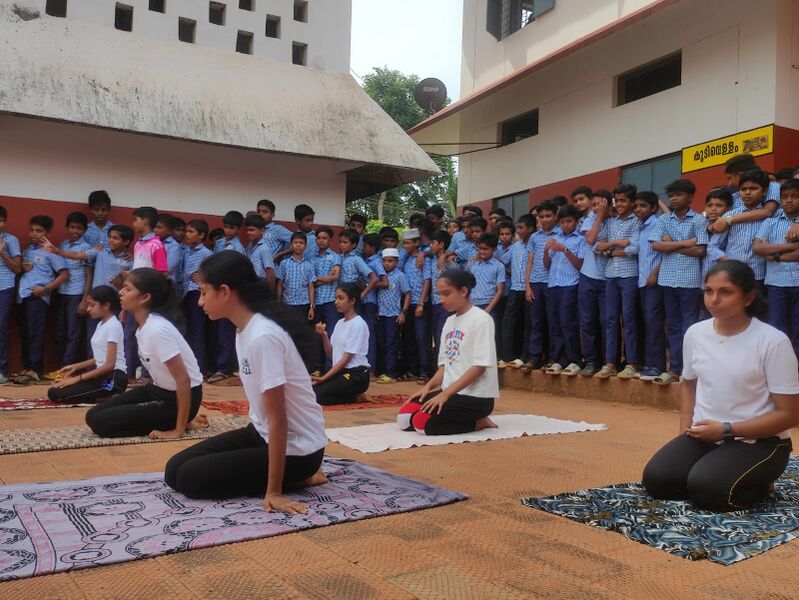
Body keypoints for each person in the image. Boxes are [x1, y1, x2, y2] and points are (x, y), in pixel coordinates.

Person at [164, 251, 326, 512]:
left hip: (299, 451)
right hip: (261, 434)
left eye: (204, 293)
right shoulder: (244, 331)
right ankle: (293, 477)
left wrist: (274, 492)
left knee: (189, 479)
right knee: (173, 470)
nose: (200, 302)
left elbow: (279, 419)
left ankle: (299, 476)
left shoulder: (263, 336)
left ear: (225, 291)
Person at [642, 261, 799, 511]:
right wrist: (685, 433)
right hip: (706, 434)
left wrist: (727, 430)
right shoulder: (695, 333)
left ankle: (760, 482)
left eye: (725, 292)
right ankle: (720, 470)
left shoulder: (772, 342)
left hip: (761, 441)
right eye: (708, 291)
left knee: (708, 490)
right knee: (658, 481)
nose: (714, 299)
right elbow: (689, 385)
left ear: (748, 298)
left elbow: (791, 414)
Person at [85, 268, 206, 438]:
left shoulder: (157, 329)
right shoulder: (144, 325)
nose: (120, 293)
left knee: (100, 423)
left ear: (145, 297)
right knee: (92, 415)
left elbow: (183, 379)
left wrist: (177, 430)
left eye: (128, 289)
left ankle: (181, 422)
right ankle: (179, 420)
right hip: (157, 390)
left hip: (176, 400)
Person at [397, 268, 498, 435]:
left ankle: (478, 422)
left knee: (421, 424)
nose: (442, 300)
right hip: (451, 392)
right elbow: (444, 367)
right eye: (439, 294)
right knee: (405, 418)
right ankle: (449, 410)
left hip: (476, 397)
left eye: (446, 294)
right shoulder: (449, 322)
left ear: (463, 291)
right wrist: (428, 388)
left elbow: (479, 368)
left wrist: (445, 395)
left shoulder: (481, 319)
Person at [649, 180, 708, 386]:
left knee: (690, 327)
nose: (673, 198)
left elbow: (701, 250)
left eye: (679, 195)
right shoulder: (664, 219)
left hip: (690, 281)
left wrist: (671, 244)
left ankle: (690, 370)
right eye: (671, 195)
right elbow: (656, 245)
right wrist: (686, 243)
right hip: (668, 280)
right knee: (673, 327)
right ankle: (674, 368)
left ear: (691, 197)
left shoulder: (699, 220)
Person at [48, 285, 128, 403]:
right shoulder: (101, 325)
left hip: (114, 380)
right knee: (56, 388)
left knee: (58, 394)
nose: (88, 309)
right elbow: (100, 357)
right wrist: (76, 367)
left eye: (92, 305)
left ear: (106, 305)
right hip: (102, 377)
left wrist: (76, 379)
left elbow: (109, 365)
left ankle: (111, 394)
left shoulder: (113, 326)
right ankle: (104, 397)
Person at [593, 187, 641, 380]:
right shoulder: (610, 222)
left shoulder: (637, 220)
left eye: (623, 201)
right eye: (617, 201)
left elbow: (635, 248)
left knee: (629, 319)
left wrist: (611, 247)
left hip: (630, 275)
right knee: (610, 319)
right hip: (611, 274)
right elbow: (597, 246)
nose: (619, 204)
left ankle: (631, 363)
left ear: (631, 202)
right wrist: (620, 243)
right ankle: (611, 363)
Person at [15, 216, 69, 384]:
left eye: (39, 231)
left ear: (48, 233)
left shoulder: (50, 251)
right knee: (25, 333)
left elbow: (64, 274)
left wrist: (45, 289)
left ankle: (36, 369)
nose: (34, 234)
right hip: (22, 295)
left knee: (35, 333)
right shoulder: (27, 251)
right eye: (32, 230)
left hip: (38, 297)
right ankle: (27, 366)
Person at [753, 179, 799, 356]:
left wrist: (773, 255)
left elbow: (765, 250)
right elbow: (757, 248)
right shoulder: (770, 222)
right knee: (777, 329)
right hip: (776, 284)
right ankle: (779, 367)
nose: (789, 200)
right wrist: (791, 248)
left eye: (795, 197)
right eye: (785, 197)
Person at [543, 204, 586, 376]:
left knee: (568, 322)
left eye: (569, 221)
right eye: (562, 222)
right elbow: (546, 264)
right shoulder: (555, 238)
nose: (566, 225)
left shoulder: (580, 239)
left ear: (576, 221)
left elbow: (580, 264)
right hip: (553, 284)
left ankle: (574, 360)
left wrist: (565, 250)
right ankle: (558, 360)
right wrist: (546, 250)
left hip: (570, 284)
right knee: (555, 323)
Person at [312, 283, 370, 405]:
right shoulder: (339, 323)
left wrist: (324, 378)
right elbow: (331, 354)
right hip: (341, 373)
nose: (336, 302)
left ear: (352, 301)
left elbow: (345, 359)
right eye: (336, 298)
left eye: (341, 298)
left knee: (317, 396)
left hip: (356, 375)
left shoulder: (358, 324)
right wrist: (324, 335)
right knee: (309, 391)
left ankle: (355, 397)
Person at [718, 170, 769, 295]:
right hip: (732, 273)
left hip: (759, 274)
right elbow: (713, 245)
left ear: (765, 191)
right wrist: (727, 260)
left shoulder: (770, 217)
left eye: (753, 188)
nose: (747, 192)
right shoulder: (729, 216)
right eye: (743, 189)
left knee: (757, 312)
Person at [577, 191, 610, 377]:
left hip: (607, 278)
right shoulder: (590, 219)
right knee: (588, 321)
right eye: (595, 204)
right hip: (588, 276)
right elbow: (590, 239)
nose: (598, 207)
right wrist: (598, 215)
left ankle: (607, 360)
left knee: (607, 321)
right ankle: (591, 360)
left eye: (601, 204)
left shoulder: (613, 221)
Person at [633, 191, 665, 381]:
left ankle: (657, 366)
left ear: (653, 208)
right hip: (642, 282)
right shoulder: (641, 227)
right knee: (647, 324)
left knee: (654, 324)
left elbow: (666, 251)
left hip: (654, 282)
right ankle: (649, 364)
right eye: (636, 206)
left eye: (643, 206)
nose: (638, 209)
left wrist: (655, 272)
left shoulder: (658, 224)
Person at [56, 212, 92, 367]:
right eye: (72, 227)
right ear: (67, 227)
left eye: (79, 228)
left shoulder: (86, 248)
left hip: (76, 294)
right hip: (60, 293)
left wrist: (85, 299)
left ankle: (67, 367)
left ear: (84, 230)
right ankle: (61, 366)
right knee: (59, 332)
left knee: (73, 333)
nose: (75, 231)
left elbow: (89, 274)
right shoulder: (63, 245)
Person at [499, 214, 534, 368]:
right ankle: (506, 357)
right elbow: (501, 262)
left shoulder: (534, 245)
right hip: (514, 288)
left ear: (531, 229)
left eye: (521, 228)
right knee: (508, 323)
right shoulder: (515, 247)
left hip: (530, 289)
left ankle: (524, 357)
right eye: (517, 228)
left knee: (528, 324)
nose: (518, 231)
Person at [180, 219, 213, 375]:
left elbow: (210, 274)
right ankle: (191, 366)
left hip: (197, 293)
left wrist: (202, 279)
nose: (187, 234)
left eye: (191, 232)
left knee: (197, 330)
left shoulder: (206, 253)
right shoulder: (186, 250)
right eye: (186, 231)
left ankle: (201, 368)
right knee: (188, 330)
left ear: (201, 235)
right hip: (187, 292)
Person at [402, 228, 433, 384]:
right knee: (409, 338)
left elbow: (427, 281)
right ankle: (411, 369)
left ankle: (424, 371)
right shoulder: (406, 260)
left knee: (421, 338)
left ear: (416, 243)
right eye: (404, 242)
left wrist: (421, 302)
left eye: (408, 242)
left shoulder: (424, 260)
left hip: (420, 303)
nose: (405, 245)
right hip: (408, 303)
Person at [376, 248, 411, 384]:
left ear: (396, 261)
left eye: (390, 261)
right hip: (381, 314)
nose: (387, 264)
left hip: (393, 315)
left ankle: (391, 373)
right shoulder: (380, 276)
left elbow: (407, 293)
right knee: (382, 344)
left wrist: (403, 312)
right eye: (384, 261)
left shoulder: (400, 276)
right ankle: (383, 371)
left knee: (392, 344)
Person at [311, 226, 341, 372]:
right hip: (316, 301)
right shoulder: (312, 258)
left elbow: (335, 277)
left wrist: (318, 279)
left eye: (324, 238)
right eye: (319, 238)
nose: (321, 241)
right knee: (317, 334)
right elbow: (311, 281)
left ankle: (330, 366)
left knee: (330, 333)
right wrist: (325, 279)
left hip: (330, 300)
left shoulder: (335, 257)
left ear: (330, 240)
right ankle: (317, 367)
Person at [359, 233, 387, 375]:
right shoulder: (367, 260)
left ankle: (371, 367)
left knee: (369, 334)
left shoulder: (376, 261)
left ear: (373, 247)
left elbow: (384, 281)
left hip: (370, 301)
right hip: (365, 301)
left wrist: (367, 284)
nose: (363, 248)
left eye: (365, 246)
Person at [0, 205, 22, 384]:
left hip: (5, 287)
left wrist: (1, 252)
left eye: (1, 220)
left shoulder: (11, 240)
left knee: (1, 327)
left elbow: (17, 268)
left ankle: (1, 370)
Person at [275, 232, 316, 323]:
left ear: (305, 246)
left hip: (304, 304)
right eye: (295, 242)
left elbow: (311, 287)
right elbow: (280, 284)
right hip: (288, 303)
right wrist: (278, 302)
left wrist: (311, 307)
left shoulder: (309, 265)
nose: (298, 245)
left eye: (301, 243)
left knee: (302, 331)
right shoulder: (284, 263)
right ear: (291, 245)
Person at [467, 233, 505, 317]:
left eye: (486, 249)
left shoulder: (499, 266)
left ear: (494, 249)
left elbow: (500, 290)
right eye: (480, 248)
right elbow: (466, 284)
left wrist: (489, 308)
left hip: (489, 304)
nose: (482, 252)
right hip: (471, 304)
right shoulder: (472, 264)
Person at [244, 214, 276, 290]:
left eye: (252, 230)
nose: (248, 232)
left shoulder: (264, 248)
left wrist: (269, 293)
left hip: (260, 285)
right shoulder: (249, 246)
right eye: (247, 230)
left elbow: (270, 272)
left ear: (262, 231)